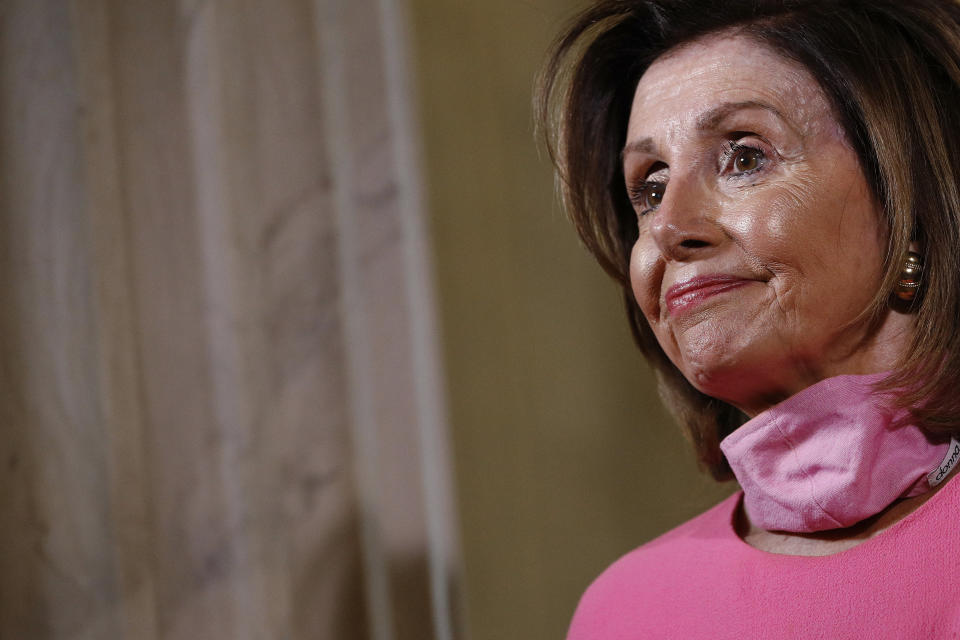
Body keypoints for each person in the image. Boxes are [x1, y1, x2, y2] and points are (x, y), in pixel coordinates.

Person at [536, 0, 960, 636]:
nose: (671, 227)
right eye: (649, 188)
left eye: (744, 156)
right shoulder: (624, 610)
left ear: (911, 202)